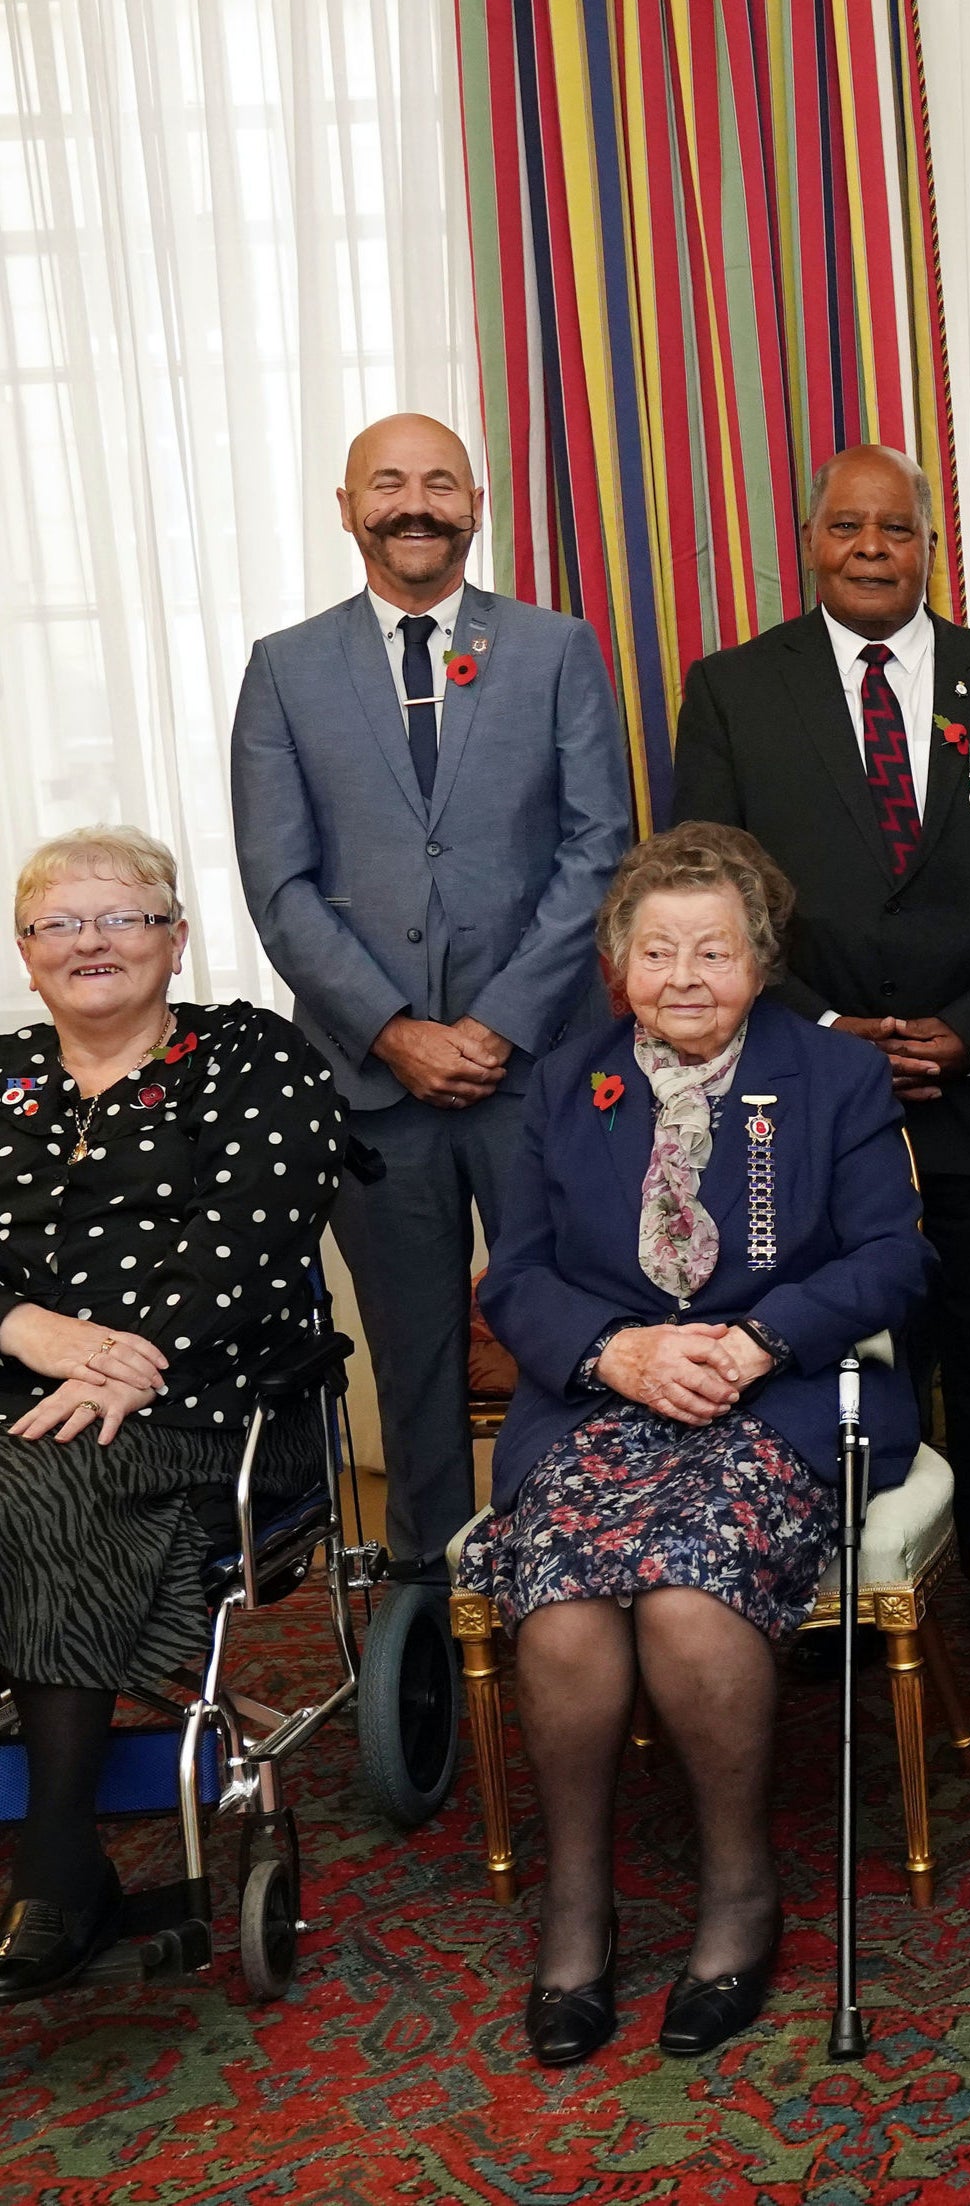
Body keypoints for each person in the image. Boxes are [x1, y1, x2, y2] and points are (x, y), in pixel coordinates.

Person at [464, 824, 928, 2064]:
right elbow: (514, 1276)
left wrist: (765, 1337)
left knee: (681, 1597)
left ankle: (737, 1889)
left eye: (712, 951)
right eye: (656, 950)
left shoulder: (832, 1079)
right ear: (617, 961)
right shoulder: (568, 1081)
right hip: (601, 1403)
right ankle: (580, 1901)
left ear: (761, 961)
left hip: (772, 1398)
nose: (682, 977)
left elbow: (896, 1258)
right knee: (560, 1610)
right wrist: (614, 1353)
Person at [670, 444, 970, 1566]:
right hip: (805, 1094)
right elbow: (707, 888)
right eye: (846, 527)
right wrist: (815, 1029)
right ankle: (830, 1575)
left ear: (929, 549)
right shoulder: (731, 693)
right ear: (808, 543)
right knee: (831, 1357)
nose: (870, 547)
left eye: (894, 529)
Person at [229, 412, 632, 1576]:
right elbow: (278, 882)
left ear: (477, 505)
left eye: (441, 483)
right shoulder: (286, 667)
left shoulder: (556, 648)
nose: (417, 503)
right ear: (346, 507)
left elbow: (598, 847)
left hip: (539, 1072)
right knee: (411, 1366)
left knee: (567, 1335)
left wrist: (495, 1024)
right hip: (371, 1087)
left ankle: (573, 1569)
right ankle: (429, 1610)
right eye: (389, 484)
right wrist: (396, 1030)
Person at [0, 830, 345, 2001]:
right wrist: (29, 1333)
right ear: (26, 953)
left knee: (50, 1472)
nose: (90, 941)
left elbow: (254, 1242)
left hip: (216, 1399)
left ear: (176, 938)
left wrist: (122, 1367)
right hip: (20, 1390)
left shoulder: (251, 1059)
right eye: (59, 924)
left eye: (122, 918)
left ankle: (57, 1868)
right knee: (37, 1458)